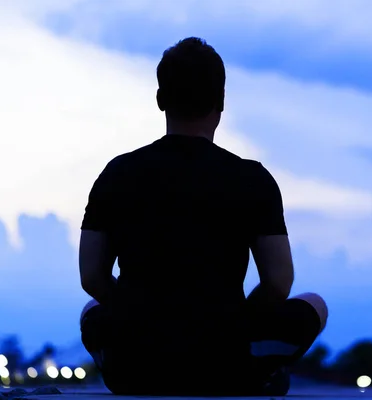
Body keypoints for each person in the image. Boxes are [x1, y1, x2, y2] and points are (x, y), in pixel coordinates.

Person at [78, 37, 328, 396]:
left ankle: (122, 362)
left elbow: (92, 277)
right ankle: (261, 371)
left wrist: (141, 315)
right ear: (221, 101)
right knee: (315, 304)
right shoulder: (252, 178)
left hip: (139, 361)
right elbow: (278, 283)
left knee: (91, 311)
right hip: (226, 360)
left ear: (161, 99)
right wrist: (236, 318)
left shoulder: (117, 173)